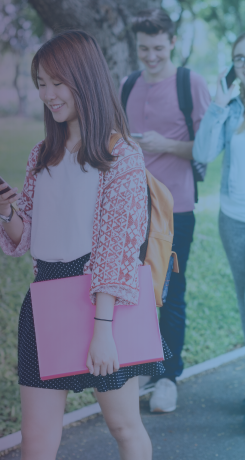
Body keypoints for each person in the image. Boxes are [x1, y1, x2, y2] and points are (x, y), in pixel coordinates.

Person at [0, 31, 171, 460]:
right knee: (37, 440)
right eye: (41, 83)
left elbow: (116, 249)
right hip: (45, 298)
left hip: (102, 300)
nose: (48, 94)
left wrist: (102, 331)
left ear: (84, 78)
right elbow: (25, 239)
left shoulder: (119, 156)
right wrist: (5, 211)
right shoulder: (41, 154)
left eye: (56, 82)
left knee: (124, 427)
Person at [119, 8, 211, 413]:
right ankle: (145, 366)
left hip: (177, 209)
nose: (151, 56)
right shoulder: (128, 84)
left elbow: (207, 147)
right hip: (132, 208)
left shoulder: (191, 83)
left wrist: (164, 144)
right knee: (134, 291)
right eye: (144, 48)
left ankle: (169, 376)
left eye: (158, 48)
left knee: (170, 294)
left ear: (172, 42)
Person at [193, 33, 245, 351]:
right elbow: (202, 154)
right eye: (239, 58)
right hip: (234, 220)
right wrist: (218, 105)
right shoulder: (232, 109)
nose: (244, 65)